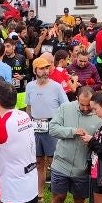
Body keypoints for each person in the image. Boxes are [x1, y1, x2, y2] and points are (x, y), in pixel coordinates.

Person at [46, 86, 102, 203]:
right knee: (58, 198)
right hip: (61, 164)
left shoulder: (99, 117)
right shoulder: (65, 108)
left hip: (82, 168)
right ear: (76, 99)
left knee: (79, 200)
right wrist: (72, 131)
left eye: (88, 105)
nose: (85, 108)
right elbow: (52, 128)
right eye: (82, 105)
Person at [26, 57, 69, 192]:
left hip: (52, 126)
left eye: (47, 68)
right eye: (41, 69)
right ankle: (39, 193)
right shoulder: (30, 86)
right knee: (38, 162)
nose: (45, 71)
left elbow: (66, 107)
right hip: (35, 127)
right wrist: (28, 125)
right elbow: (28, 107)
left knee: (54, 162)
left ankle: (58, 192)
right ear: (35, 71)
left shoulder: (56, 86)